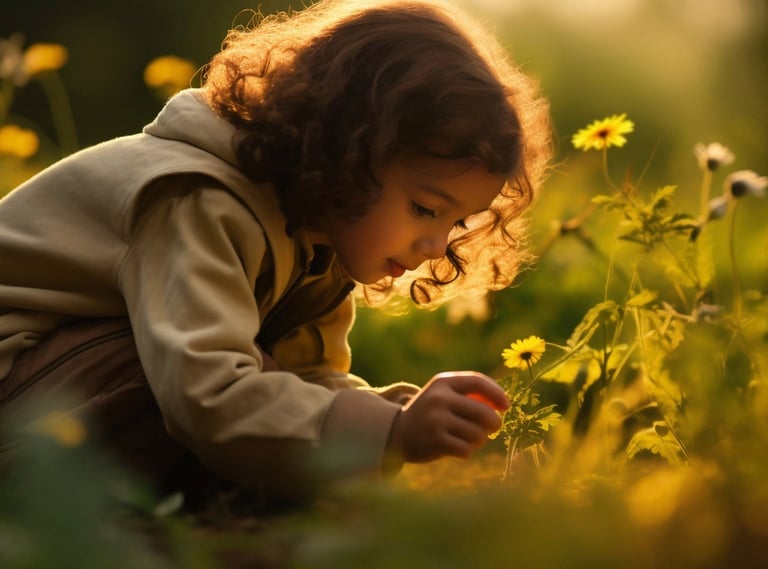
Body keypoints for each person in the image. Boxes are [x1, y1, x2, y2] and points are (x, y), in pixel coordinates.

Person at [0, 0, 551, 504]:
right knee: (175, 370)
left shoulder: (318, 240)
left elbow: (305, 380)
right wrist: (390, 433)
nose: (435, 247)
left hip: (51, 393)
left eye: (457, 223)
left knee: (267, 391)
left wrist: (400, 416)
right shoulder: (197, 200)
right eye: (426, 209)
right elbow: (207, 396)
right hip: (18, 381)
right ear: (350, 149)